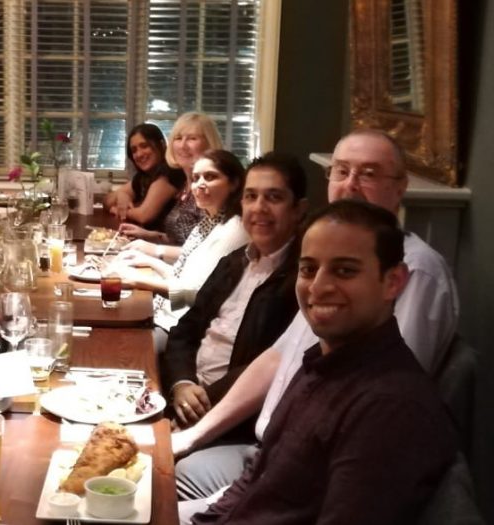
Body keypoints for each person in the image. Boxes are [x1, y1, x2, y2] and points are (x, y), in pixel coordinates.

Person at [172, 129, 460, 515]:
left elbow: (337, 465)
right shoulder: (319, 362)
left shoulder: (384, 399)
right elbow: (277, 359)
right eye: (341, 171)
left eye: (345, 271)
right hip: (265, 464)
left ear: (393, 281)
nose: (320, 286)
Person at [163, 152, 307, 427]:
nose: (259, 207)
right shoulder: (234, 261)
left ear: (299, 210)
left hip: (230, 419)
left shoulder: (301, 281)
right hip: (188, 395)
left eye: (274, 197)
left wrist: (196, 406)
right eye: (251, 196)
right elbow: (186, 327)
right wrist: (181, 383)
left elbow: (263, 372)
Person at [113, 150, 250, 332]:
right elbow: (184, 277)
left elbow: (193, 296)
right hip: (167, 314)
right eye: (195, 178)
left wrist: (136, 280)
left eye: (210, 177)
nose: (200, 184)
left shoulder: (233, 229)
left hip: (181, 327)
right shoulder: (209, 221)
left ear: (234, 184)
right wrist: (147, 261)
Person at [119, 112, 224, 252]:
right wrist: (148, 235)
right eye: (178, 138)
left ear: (209, 143)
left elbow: (207, 253)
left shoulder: (212, 188)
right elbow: (181, 239)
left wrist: (155, 250)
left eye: (192, 138)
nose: (183, 145)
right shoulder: (185, 186)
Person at [105, 123, 187, 234]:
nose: (139, 154)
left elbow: (144, 215)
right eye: (134, 150)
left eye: (144, 146)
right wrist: (122, 195)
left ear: (161, 145)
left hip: (167, 244)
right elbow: (107, 200)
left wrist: (117, 209)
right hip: (149, 239)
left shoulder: (170, 172)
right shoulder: (143, 176)